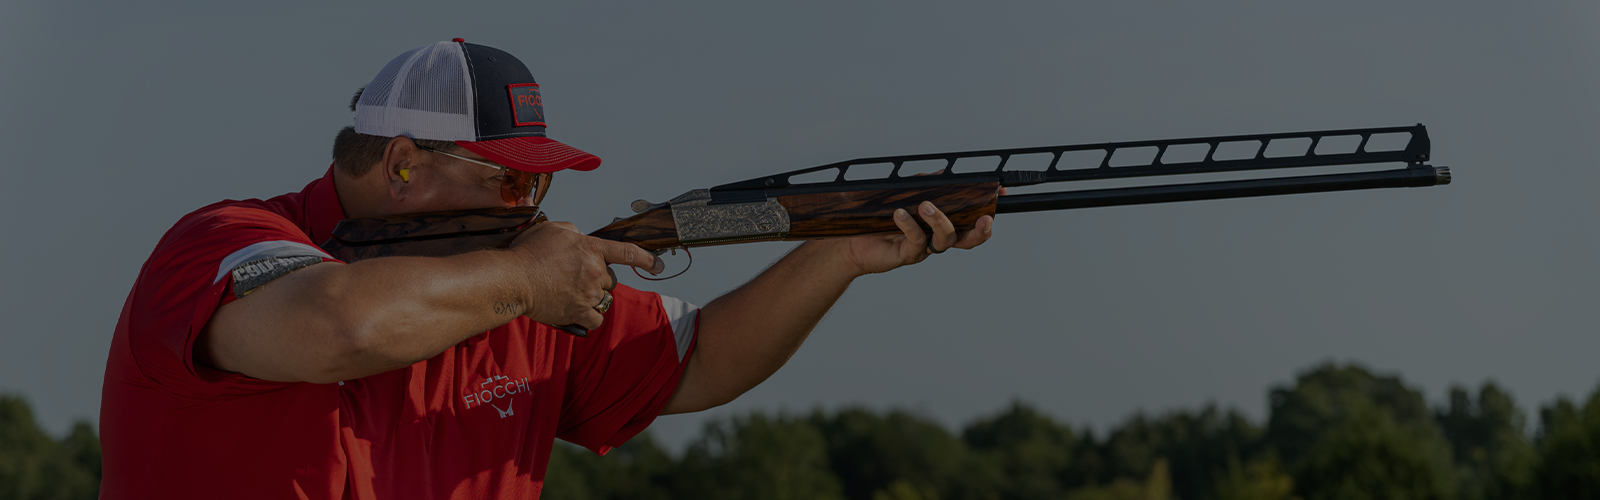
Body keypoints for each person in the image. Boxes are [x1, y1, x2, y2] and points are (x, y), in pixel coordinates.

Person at [98, 39, 998, 499]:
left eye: (538, 184)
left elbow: (699, 361)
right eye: (509, 179)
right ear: (402, 164)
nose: (528, 205)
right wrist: (528, 280)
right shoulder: (222, 242)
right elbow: (340, 326)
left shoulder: (513, 279)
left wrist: (838, 252)